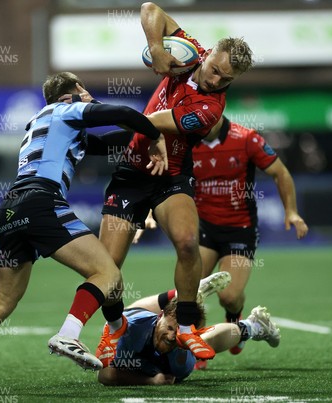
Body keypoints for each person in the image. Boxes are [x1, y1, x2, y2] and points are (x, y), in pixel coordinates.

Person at [0, 72, 168, 395]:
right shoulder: (65, 110)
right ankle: (69, 334)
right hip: (41, 201)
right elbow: (122, 114)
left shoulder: (41, 123)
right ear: (70, 94)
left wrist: (145, 137)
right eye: (83, 89)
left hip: (11, 209)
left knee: (2, 300)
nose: (87, 94)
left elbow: (109, 139)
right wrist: (155, 133)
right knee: (106, 272)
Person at [96, 1, 255, 366]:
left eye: (225, 79)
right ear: (209, 52)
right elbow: (151, 8)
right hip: (132, 174)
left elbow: (155, 120)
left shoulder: (211, 108)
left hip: (172, 175)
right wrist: (156, 48)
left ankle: (185, 325)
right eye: (215, 70)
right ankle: (113, 328)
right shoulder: (191, 51)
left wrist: (153, 134)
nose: (215, 80)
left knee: (187, 244)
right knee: (106, 268)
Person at [135, 115, 308, 368]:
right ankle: (195, 345)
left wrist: (291, 211)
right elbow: (160, 177)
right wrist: (148, 212)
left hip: (240, 230)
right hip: (203, 228)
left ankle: (235, 317)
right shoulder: (186, 142)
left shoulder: (247, 139)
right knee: (190, 293)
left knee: (229, 296)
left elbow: (280, 172)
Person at [97, 271, 280, 386]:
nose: (170, 336)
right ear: (159, 316)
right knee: (128, 312)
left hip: (161, 351)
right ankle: (183, 294)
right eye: (169, 327)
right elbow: (105, 375)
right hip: (134, 319)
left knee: (206, 341)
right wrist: (150, 380)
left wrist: (154, 378)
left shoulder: (179, 365)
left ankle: (255, 325)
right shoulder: (131, 331)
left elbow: (109, 376)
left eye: (177, 332)